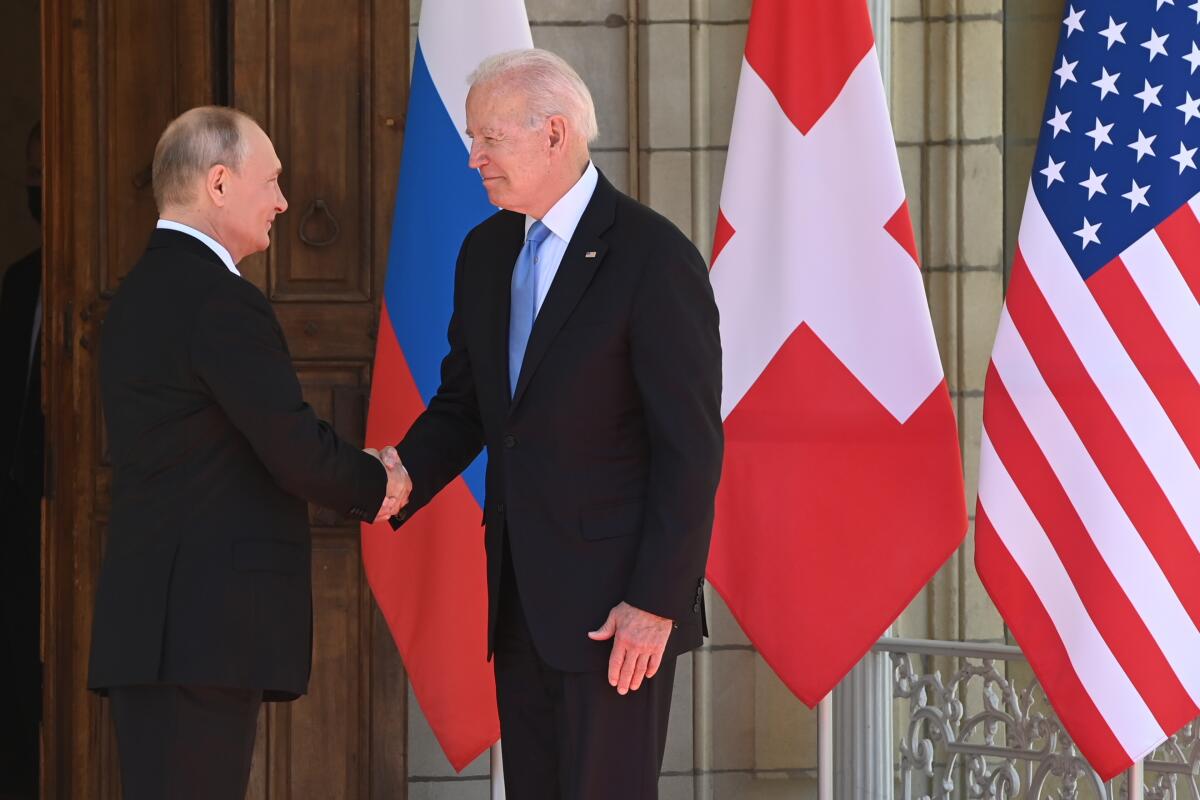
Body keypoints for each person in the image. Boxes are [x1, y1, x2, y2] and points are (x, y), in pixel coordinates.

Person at [382, 49, 723, 799]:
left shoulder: (652, 256)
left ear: (554, 134)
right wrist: (402, 472)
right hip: (519, 605)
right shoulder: (485, 251)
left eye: (488, 139)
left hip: (619, 617)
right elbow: (469, 404)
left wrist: (656, 603)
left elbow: (690, 451)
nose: (472, 159)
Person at [87, 106, 411, 800]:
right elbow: (289, 444)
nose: (284, 201)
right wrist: (377, 481)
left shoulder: (138, 291)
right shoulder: (217, 299)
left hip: (162, 630)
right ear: (219, 183)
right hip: (202, 634)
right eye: (272, 181)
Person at [0, 120, 43, 800]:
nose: (42, 188)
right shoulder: (20, 281)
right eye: (34, 174)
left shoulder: (129, 287)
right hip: (18, 510)